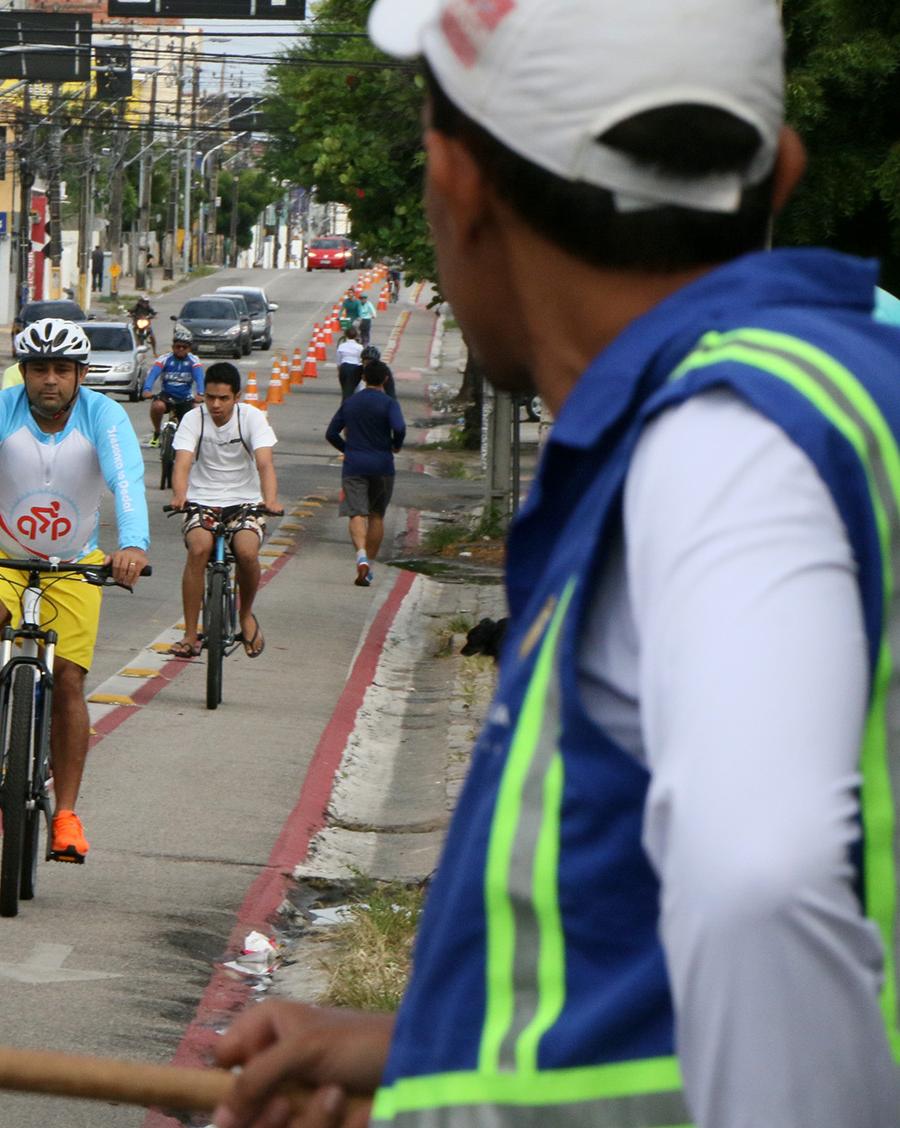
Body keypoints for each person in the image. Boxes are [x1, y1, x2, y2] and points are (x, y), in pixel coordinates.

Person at [211, 1, 900, 1126]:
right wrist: (435, 1053)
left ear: (457, 179)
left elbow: (761, 885)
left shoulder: (722, 442)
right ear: (779, 175)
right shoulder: (835, 401)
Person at [0, 318, 150, 864]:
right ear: (23, 372)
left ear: (80, 374)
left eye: (62, 370)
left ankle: (67, 814)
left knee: (69, 683)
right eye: (40, 369)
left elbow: (127, 482)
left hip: (74, 561)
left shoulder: (105, 416)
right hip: (1, 552)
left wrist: (135, 544)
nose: (51, 380)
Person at [168, 362, 281, 659]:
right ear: (203, 395)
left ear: (238, 396)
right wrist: (180, 496)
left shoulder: (252, 418)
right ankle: (191, 634)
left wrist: (269, 500)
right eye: (210, 397)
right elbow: (181, 463)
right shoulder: (194, 419)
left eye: (224, 398)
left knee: (246, 552)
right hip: (201, 500)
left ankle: (245, 615)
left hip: (245, 502)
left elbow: (265, 463)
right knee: (198, 549)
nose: (216, 405)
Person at [325, 363, 403, 588]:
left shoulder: (351, 402)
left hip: (354, 466)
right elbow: (399, 427)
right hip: (383, 465)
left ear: (364, 378)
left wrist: (347, 449)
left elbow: (331, 433)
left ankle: (361, 557)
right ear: (386, 379)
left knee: (356, 513)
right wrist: (395, 445)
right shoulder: (390, 404)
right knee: (376, 516)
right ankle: (369, 568)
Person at [141, 326, 206, 443]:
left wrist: (200, 393)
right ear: (173, 346)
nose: (181, 349)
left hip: (184, 397)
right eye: (178, 346)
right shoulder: (164, 359)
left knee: (189, 424)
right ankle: (157, 432)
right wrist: (147, 390)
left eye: (184, 347)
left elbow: (200, 378)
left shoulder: (194, 361)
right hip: (167, 396)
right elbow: (153, 375)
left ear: (189, 348)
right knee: (157, 406)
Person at [335, 325, 366, 400]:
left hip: (344, 368)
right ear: (356, 336)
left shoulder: (342, 346)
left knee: (345, 390)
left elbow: (338, 361)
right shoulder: (359, 347)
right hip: (355, 368)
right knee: (354, 389)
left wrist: (340, 371)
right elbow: (361, 360)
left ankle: (345, 404)